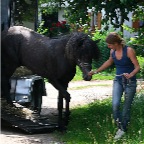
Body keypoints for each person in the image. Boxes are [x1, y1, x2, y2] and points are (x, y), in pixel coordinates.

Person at [88, 32, 140, 140]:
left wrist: (131, 75)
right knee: (115, 105)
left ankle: (123, 129)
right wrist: (96, 71)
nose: (108, 46)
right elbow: (109, 62)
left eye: (110, 44)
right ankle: (120, 127)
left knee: (126, 107)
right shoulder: (113, 51)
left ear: (116, 43)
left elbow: (137, 67)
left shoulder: (129, 51)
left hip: (130, 82)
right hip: (118, 80)